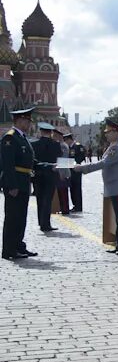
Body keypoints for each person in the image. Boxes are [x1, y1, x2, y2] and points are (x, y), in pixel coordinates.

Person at [77, 120, 118, 255]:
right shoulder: (114, 145)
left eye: (108, 132)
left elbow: (104, 163)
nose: (106, 135)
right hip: (116, 188)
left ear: (116, 132)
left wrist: (83, 168)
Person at [1, 107, 43, 259]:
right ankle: (9, 250)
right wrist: (11, 185)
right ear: (19, 121)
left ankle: (19, 246)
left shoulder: (22, 138)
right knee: (12, 217)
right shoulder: (10, 138)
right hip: (15, 183)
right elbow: (7, 164)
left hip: (24, 182)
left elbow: (30, 162)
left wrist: (50, 166)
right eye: (26, 121)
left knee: (21, 217)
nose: (29, 124)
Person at [31, 122, 60, 232]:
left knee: (39, 198)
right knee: (48, 199)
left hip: (38, 175)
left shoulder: (34, 144)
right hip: (51, 174)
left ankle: (40, 222)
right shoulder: (56, 144)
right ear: (51, 133)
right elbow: (59, 159)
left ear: (41, 132)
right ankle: (46, 223)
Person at [65, 133, 86, 212]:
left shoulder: (78, 146)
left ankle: (78, 206)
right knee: (72, 189)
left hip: (76, 171)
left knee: (77, 189)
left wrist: (75, 163)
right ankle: (74, 205)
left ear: (69, 139)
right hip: (70, 171)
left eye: (66, 140)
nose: (65, 142)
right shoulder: (69, 147)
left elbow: (82, 156)